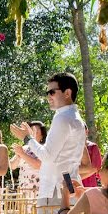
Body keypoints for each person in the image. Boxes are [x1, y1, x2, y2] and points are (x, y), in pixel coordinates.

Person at [25, 73, 86, 205]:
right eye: (47, 93)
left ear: (67, 93)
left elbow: (46, 156)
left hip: (54, 189)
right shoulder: (77, 119)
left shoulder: (62, 118)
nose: (48, 97)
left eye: (52, 92)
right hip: (69, 185)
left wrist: (27, 138)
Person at [8, 120, 45, 195]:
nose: (33, 133)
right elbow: (12, 166)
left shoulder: (44, 148)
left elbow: (38, 165)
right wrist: (18, 155)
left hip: (39, 190)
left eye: (36, 131)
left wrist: (22, 154)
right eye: (30, 130)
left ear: (42, 135)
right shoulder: (24, 148)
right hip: (24, 190)